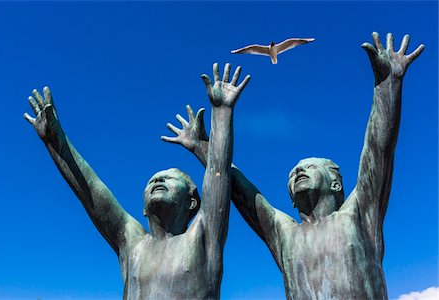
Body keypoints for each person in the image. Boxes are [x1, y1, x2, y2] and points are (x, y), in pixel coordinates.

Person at [162, 33, 424, 299]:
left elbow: (379, 152)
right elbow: (242, 192)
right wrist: (201, 146)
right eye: (293, 173)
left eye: (309, 167)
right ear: (293, 202)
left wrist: (387, 86)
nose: (298, 171)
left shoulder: (358, 215)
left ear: (335, 184)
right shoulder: (284, 234)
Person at [24, 63, 250, 299]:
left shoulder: (203, 235)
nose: (157, 180)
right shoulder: (134, 245)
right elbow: (91, 191)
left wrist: (222, 113)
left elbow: (218, 171)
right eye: (151, 181)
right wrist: (55, 141)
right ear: (143, 209)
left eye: (169, 178)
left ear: (192, 202)